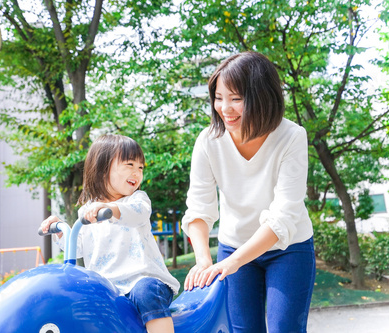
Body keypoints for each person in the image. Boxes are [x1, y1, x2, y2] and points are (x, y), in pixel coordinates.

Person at [181, 51, 315, 333]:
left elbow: (284, 215)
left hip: (287, 248)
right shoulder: (208, 142)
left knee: (285, 328)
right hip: (233, 244)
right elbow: (199, 208)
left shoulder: (291, 137)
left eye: (236, 98)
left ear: (261, 96)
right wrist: (205, 260)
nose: (225, 108)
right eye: (219, 97)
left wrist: (231, 263)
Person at [40, 134, 180, 333]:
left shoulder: (137, 200)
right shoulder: (87, 211)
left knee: (146, 293)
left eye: (140, 167)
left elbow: (138, 215)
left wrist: (111, 209)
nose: (136, 172)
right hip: (108, 287)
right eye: (129, 164)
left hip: (142, 281)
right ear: (102, 168)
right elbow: (78, 247)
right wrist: (61, 231)